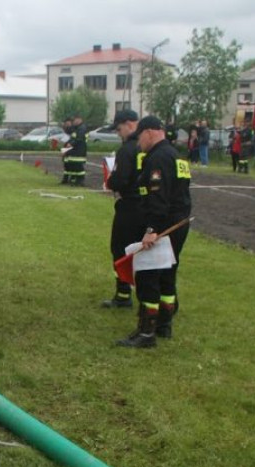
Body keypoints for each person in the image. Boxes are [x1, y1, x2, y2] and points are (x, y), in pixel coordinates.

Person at [117, 115, 191, 349]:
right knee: (168, 275)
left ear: (149, 132)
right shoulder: (176, 155)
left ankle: (146, 333)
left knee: (148, 276)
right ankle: (163, 325)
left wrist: (151, 230)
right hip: (179, 223)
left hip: (163, 227)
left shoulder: (157, 158)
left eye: (139, 137)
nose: (138, 143)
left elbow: (158, 199)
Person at [101, 109, 145, 309]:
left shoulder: (127, 149)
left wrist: (110, 182)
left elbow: (120, 179)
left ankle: (123, 294)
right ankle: (148, 294)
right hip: (150, 206)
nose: (119, 134)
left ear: (129, 124)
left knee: (120, 249)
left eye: (119, 129)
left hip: (130, 207)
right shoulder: (152, 147)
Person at [62, 114, 88, 185]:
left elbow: (79, 139)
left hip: (80, 150)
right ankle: (74, 180)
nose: (73, 122)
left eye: (74, 120)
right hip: (75, 150)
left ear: (79, 119)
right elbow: (69, 131)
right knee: (72, 165)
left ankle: (80, 180)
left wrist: (71, 144)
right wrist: (66, 126)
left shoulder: (82, 128)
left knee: (78, 166)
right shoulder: (77, 128)